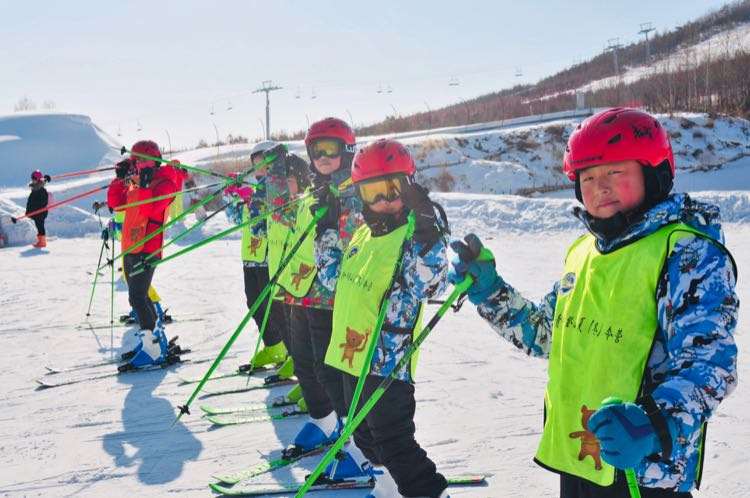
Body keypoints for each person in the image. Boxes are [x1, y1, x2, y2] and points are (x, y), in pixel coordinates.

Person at [449, 108, 739, 498]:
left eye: (615, 172)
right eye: (587, 177)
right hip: (583, 454)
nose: (599, 187)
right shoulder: (585, 252)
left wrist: (653, 425)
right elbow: (548, 335)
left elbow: (710, 364)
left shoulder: (686, 252)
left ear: (654, 173)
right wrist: (491, 293)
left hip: (644, 467)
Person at [318, 138, 451, 498]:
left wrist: (426, 228)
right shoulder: (363, 233)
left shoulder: (412, 237)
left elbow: (430, 282)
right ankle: (388, 489)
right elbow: (332, 279)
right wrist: (326, 230)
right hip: (347, 356)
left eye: (391, 189)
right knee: (363, 436)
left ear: (408, 187)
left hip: (387, 363)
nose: (382, 201)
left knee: (395, 444)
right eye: (372, 192)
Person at [106, 140, 183, 369]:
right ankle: (154, 341)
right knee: (140, 297)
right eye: (134, 159)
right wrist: (120, 180)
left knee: (138, 297)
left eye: (141, 159)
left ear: (154, 159)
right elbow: (116, 204)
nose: (136, 163)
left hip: (148, 247)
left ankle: (152, 348)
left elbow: (151, 208)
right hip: (130, 245)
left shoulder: (166, 182)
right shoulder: (138, 180)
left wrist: (144, 185)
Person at [223, 140, 288, 370]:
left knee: (276, 307)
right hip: (251, 257)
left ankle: (290, 351)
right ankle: (274, 346)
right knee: (255, 304)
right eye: (256, 162)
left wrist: (252, 197)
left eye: (264, 161)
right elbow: (235, 219)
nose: (261, 166)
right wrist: (231, 195)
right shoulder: (253, 191)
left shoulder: (278, 187)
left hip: (272, 257)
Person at [26, 170, 51, 248]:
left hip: (40, 212)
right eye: (32, 178)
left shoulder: (42, 190)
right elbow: (30, 202)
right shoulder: (35, 188)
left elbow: (43, 202)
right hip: (36, 212)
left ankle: (42, 242)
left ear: (38, 179)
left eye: (35, 178)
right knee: (38, 226)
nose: (33, 179)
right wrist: (28, 211)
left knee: (40, 226)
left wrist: (35, 210)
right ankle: (41, 241)